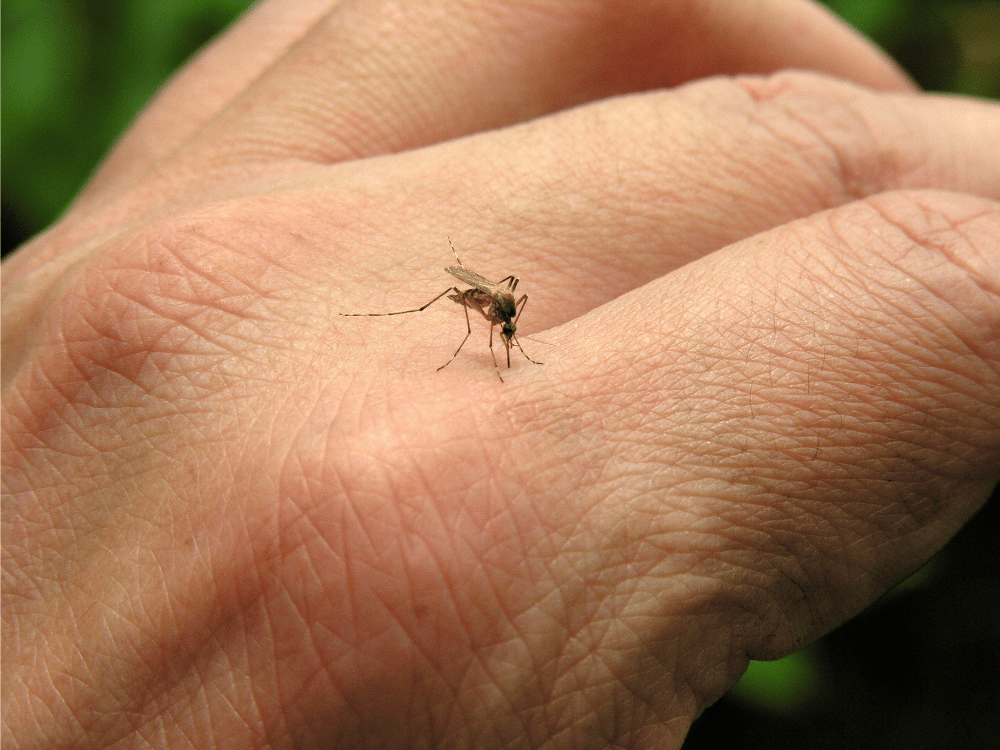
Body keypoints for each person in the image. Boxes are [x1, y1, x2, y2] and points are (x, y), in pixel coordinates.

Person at [3, 0, 998, 747]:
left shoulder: (510, 306)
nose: (506, 321)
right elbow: (476, 301)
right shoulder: (481, 305)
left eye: (508, 316)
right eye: (506, 316)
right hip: (449, 296)